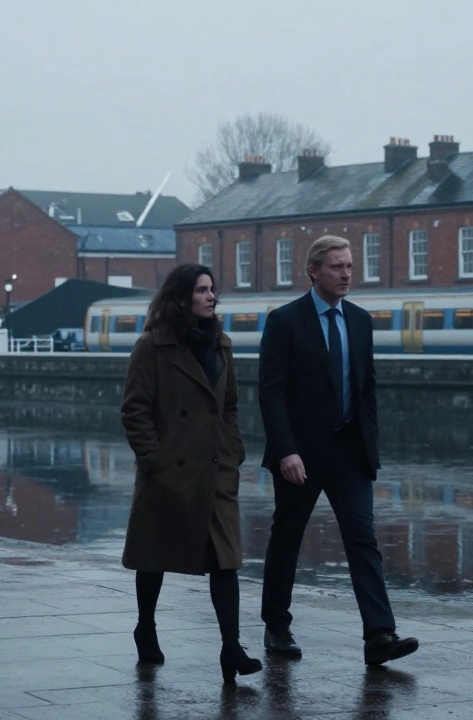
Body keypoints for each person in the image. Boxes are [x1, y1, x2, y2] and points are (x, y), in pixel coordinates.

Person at [258, 235, 419, 666]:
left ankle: (379, 635)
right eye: (336, 267)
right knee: (287, 538)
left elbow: (367, 390)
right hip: (301, 454)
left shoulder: (361, 321)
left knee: (364, 540)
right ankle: (277, 627)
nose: (346, 274)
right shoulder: (285, 321)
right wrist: (286, 451)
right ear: (314, 272)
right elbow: (270, 393)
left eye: (349, 266)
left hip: (350, 451)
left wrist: (370, 445)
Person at [120, 263, 263, 683]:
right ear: (181, 298)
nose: (211, 296)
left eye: (212, 289)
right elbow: (134, 410)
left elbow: (230, 405)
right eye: (202, 290)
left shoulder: (221, 343)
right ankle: (146, 626)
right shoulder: (152, 346)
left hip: (215, 469)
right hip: (169, 472)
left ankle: (231, 647)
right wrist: (156, 460)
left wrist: (232, 450)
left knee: (225, 561)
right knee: (154, 556)